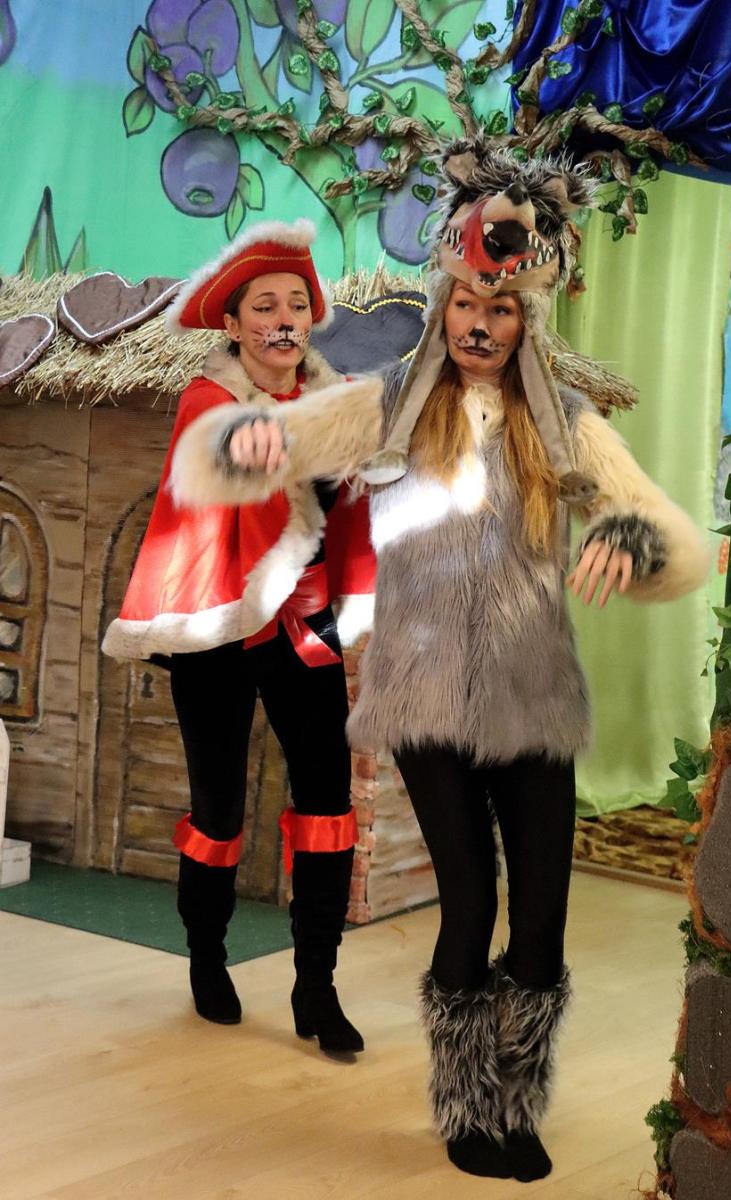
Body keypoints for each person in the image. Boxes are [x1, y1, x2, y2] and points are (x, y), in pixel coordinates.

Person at [169, 144, 710, 1179]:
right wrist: (244, 449)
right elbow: (252, 447)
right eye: (465, 303)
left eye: (499, 310)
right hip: (423, 698)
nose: (478, 324)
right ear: (444, 304)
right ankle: (466, 1105)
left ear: (525, 320)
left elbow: (671, 540)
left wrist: (632, 538)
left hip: (532, 700)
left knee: (542, 920)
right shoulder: (389, 404)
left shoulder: (566, 427)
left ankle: (515, 1099)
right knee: (471, 900)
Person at [102, 219, 376, 1055]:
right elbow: (209, 460)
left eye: (297, 303)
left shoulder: (339, 401)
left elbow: (358, 503)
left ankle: (316, 985)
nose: (284, 318)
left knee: (329, 805)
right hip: (221, 632)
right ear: (233, 323)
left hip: (303, 627)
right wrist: (269, 447)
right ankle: (206, 955)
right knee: (219, 807)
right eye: (265, 305)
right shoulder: (207, 398)